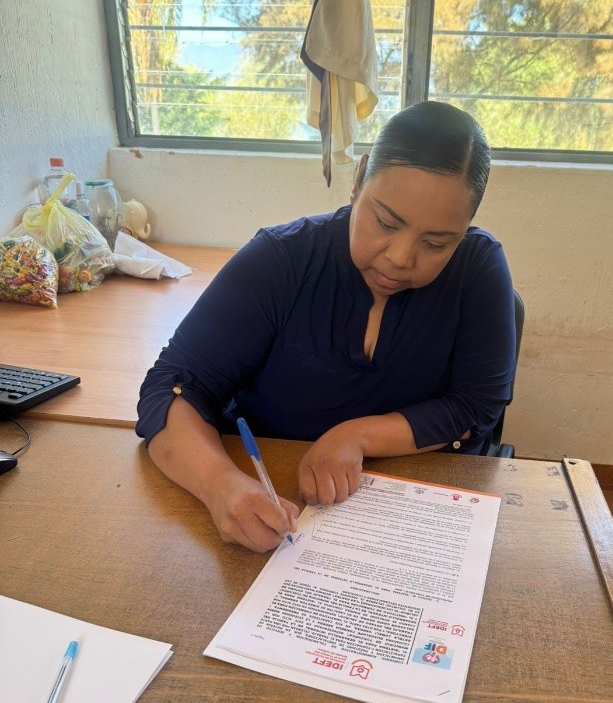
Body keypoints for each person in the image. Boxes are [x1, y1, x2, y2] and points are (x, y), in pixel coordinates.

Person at [136, 101, 516, 552]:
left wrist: (355, 435)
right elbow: (172, 387)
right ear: (358, 180)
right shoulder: (281, 260)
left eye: (436, 243)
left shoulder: (477, 269)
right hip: (278, 508)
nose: (400, 258)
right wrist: (221, 486)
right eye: (385, 222)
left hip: (417, 518)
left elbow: (476, 406)